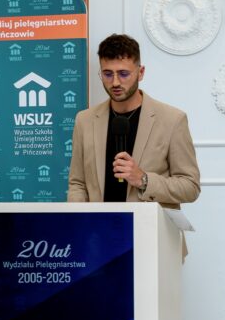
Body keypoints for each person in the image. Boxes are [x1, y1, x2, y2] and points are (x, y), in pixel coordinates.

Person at [67, 34, 200, 209]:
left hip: (149, 225)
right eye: (107, 74)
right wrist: (80, 219)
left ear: (140, 72)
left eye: (123, 74)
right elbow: (77, 183)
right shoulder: (84, 120)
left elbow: (190, 187)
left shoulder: (172, 120)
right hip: (99, 225)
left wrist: (143, 179)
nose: (115, 82)